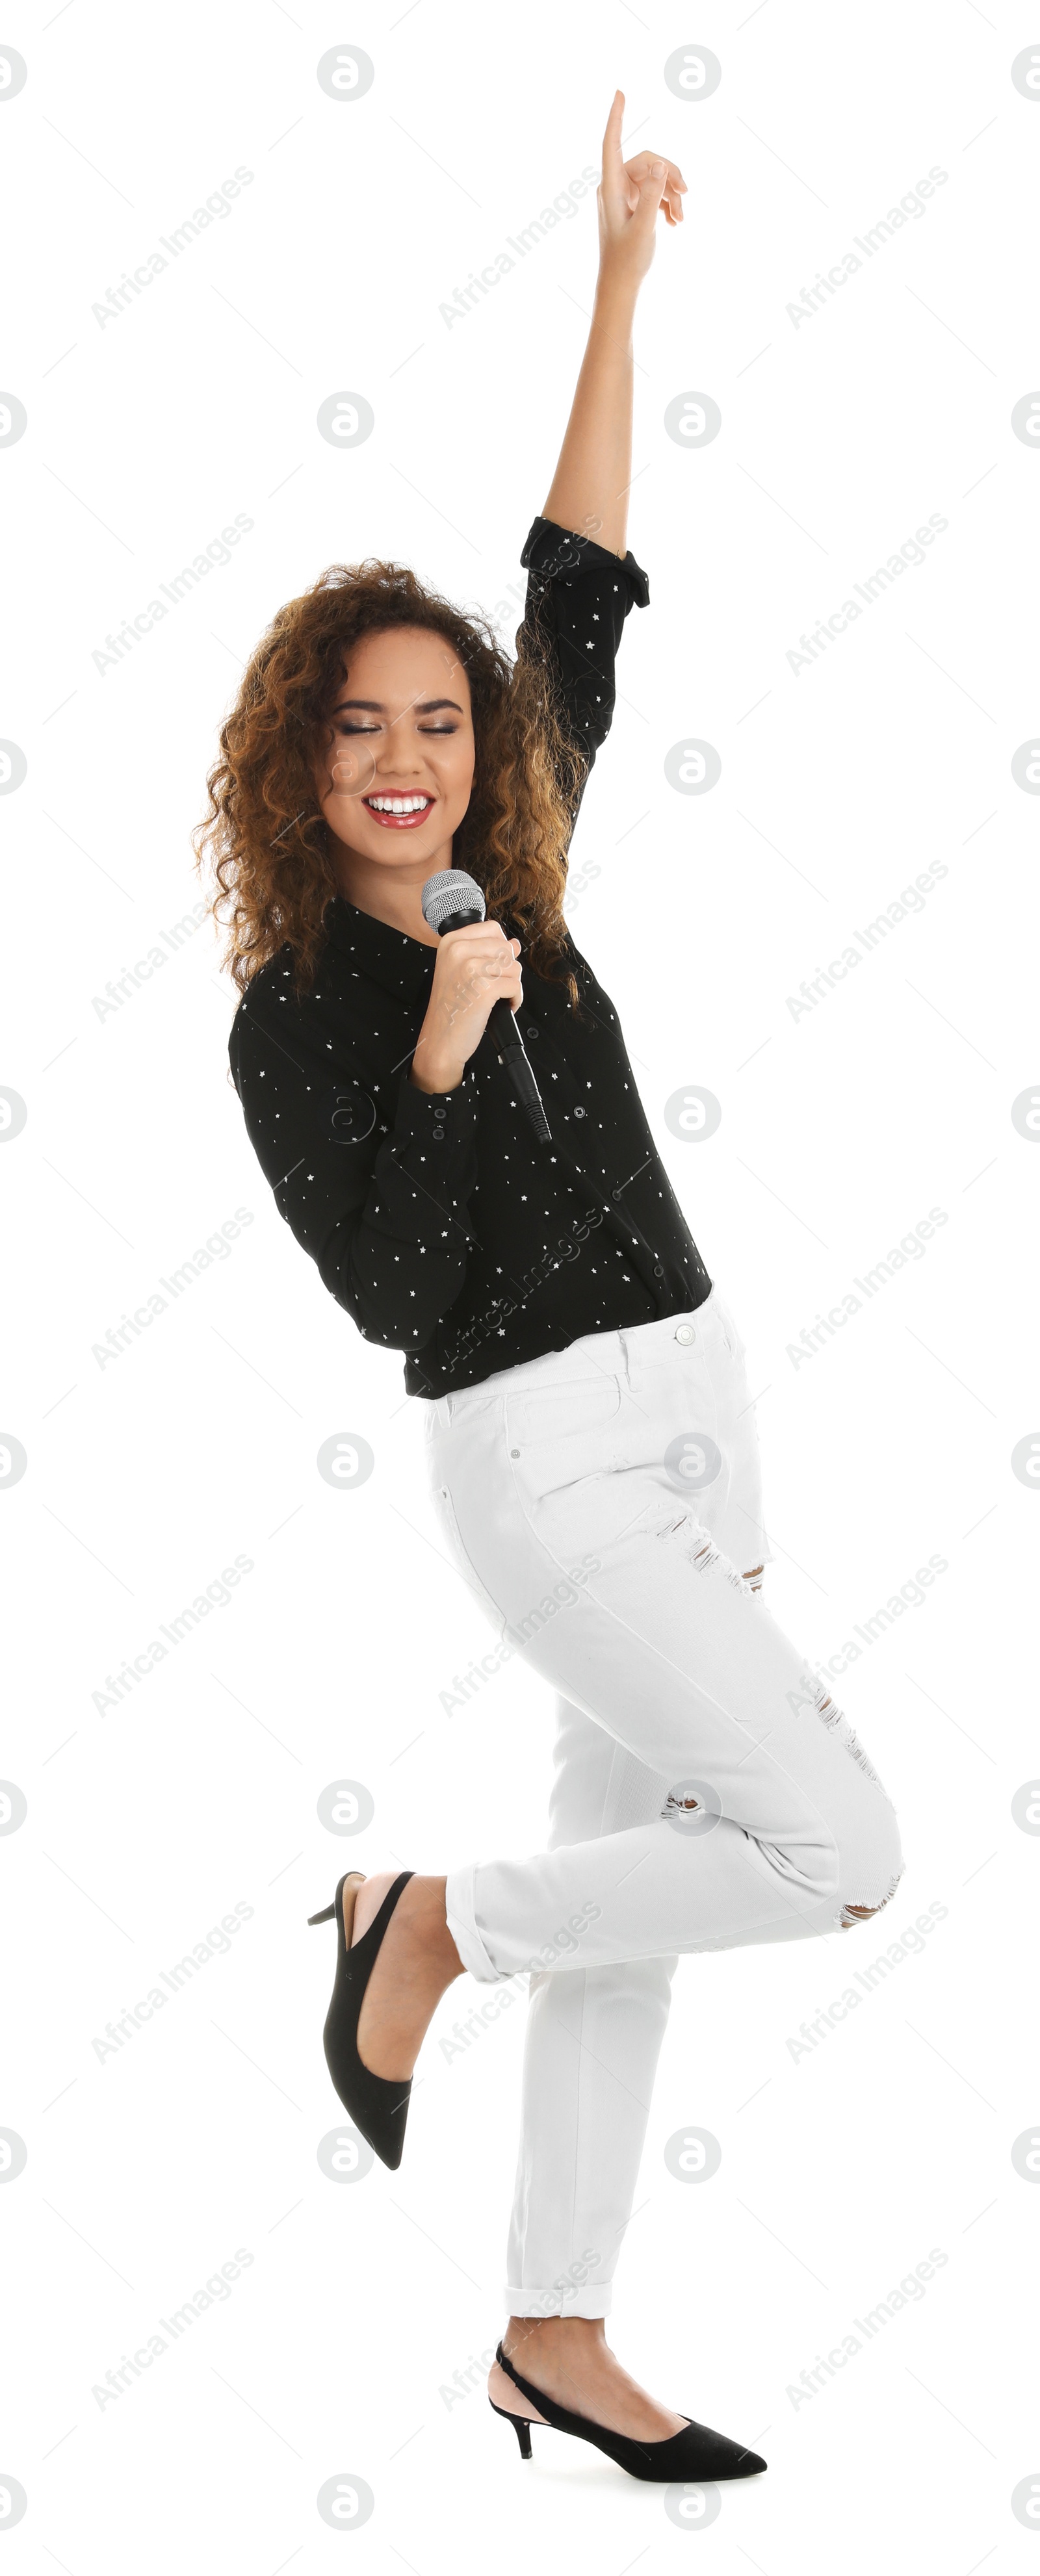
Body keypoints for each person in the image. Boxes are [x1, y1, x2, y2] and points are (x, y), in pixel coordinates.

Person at [198, 94, 904, 2484]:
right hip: (533, 1449)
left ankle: (555, 2329)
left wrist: (616, 287)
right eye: (362, 728)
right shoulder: (294, 1010)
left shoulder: (533, 846)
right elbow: (394, 1277)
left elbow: (577, 572)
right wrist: (443, 1031)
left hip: (696, 1396)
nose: (411, 756)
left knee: (659, 1872)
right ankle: (421, 1919)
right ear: (300, 770)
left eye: (440, 718)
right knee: (832, 1847)